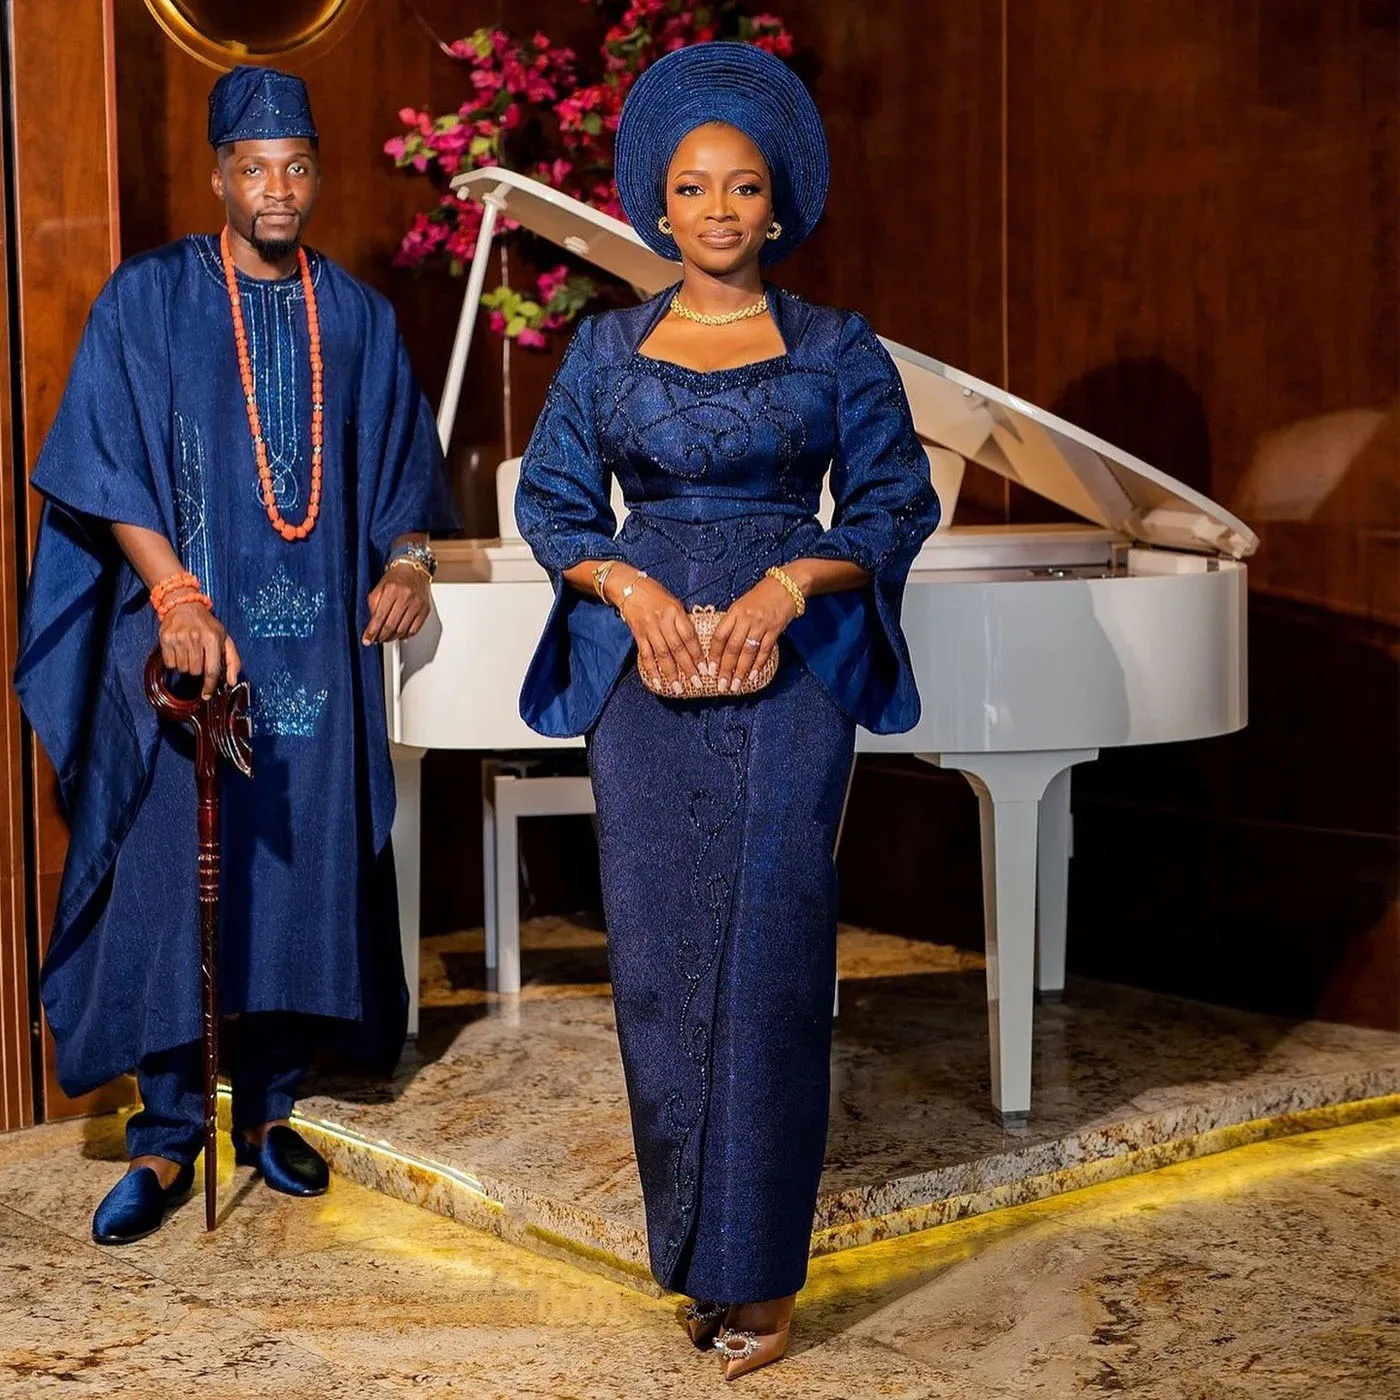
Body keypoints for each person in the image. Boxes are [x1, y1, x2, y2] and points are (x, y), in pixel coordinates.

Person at [514, 41, 940, 1383]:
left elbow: (890, 506)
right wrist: (631, 589)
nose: (716, 211)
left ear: (776, 203)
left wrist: (785, 584)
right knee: (654, 968)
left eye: (742, 188)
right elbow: (552, 509)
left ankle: (763, 1276)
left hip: (787, 678)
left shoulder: (838, 348)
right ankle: (692, 1255)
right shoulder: (600, 349)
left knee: (766, 966)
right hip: (644, 688)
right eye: (693, 187)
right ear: (658, 201)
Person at [14, 65, 457, 1245]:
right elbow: (101, 462)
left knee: (293, 873)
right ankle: (166, 1138)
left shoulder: (353, 313)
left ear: (316, 173)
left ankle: (264, 1110)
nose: (278, 188)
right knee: (175, 880)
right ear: (218, 177)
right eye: (255, 168)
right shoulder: (149, 299)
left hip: (313, 642)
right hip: (184, 639)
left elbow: (406, 478)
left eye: (297, 166)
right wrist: (170, 596)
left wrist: (409, 561)